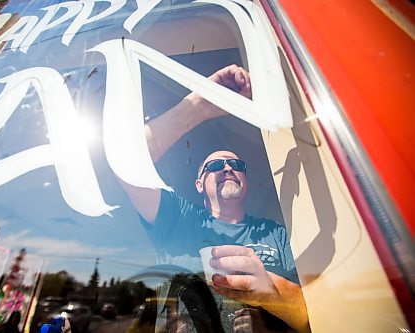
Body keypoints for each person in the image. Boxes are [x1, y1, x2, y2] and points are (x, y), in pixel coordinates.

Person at [119, 65, 310, 333]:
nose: (228, 168)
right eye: (216, 166)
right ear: (199, 184)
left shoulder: (275, 233)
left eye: (235, 165)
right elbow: (124, 160)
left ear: (245, 180)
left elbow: (316, 312)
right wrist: (198, 106)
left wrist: (273, 300)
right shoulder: (179, 219)